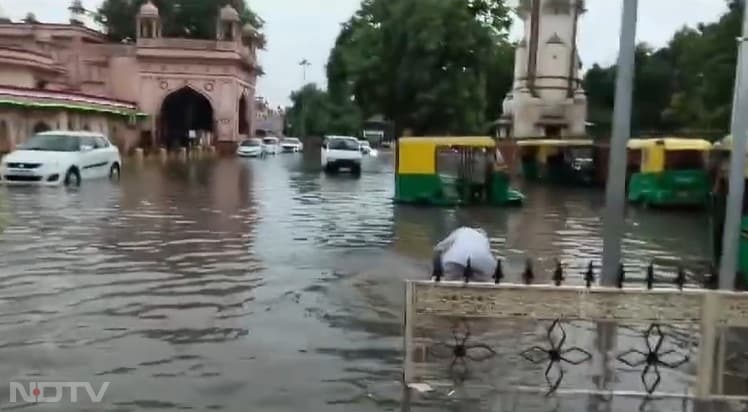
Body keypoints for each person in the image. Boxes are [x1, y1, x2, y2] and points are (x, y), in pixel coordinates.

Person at [432, 227, 497, 282]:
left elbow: (439, 247)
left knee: (452, 277)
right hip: (482, 263)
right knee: (482, 278)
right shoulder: (484, 238)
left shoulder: (461, 231)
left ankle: (437, 277)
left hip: (455, 261)